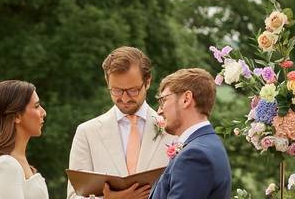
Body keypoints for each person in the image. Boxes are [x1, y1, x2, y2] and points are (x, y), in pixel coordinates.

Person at [67, 47, 176, 199]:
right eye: (116, 91)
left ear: (148, 81)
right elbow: (73, 196)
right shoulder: (87, 132)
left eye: (133, 90)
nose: (124, 99)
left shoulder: (174, 129)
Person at [147, 68, 231, 199]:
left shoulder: (195, 155)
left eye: (163, 100)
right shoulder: (206, 144)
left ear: (186, 99)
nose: (159, 111)